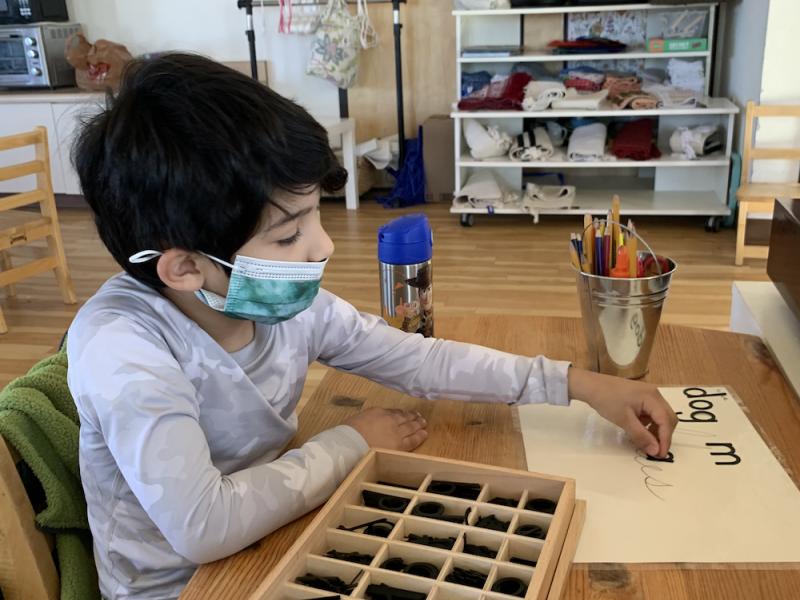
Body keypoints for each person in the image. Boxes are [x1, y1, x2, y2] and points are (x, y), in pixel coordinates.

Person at [67, 53, 677, 600]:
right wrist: (350, 441)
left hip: (277, 528)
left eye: (314, 219)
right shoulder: (123, 351)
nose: (324, 245)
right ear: (184, 268)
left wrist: (577, 383)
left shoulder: (273, 302)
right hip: (184, 587)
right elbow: (204, 527)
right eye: (288, 234)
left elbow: (419, 360)